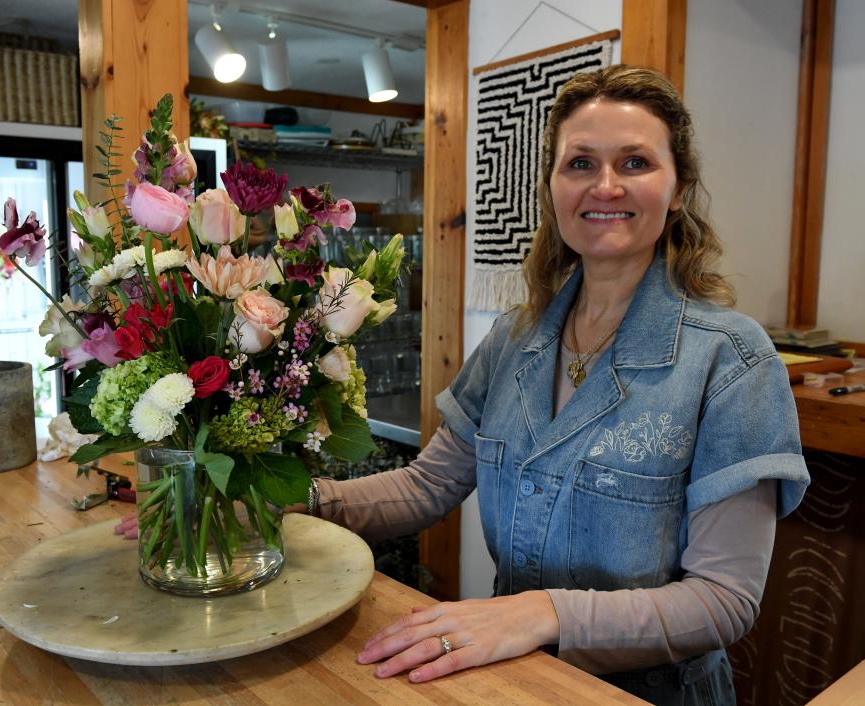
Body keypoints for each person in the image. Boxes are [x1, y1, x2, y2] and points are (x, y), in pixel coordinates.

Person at [304, 65, 809, 705]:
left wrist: (541, 613)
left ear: (679, 187)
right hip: (510, 682)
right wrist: (296, 503)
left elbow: (722, 601)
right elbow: (430, 484)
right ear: (552, 186)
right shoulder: (516, 338)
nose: (605, 186)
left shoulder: (733, 362)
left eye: (634, 162)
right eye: (580, 164)